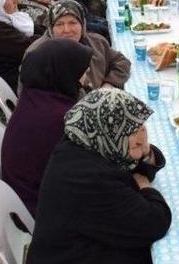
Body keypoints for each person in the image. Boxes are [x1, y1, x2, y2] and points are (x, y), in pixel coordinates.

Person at [27, 88, 171, 264]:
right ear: (108, 130)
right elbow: (155, 222)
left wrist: (145, 152)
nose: (140, 137)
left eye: (141, 128)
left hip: (78, 247)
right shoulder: (91, 178)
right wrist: (146, 187)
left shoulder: (86, 141)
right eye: (132, 131)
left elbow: (133, 166)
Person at [1, 38, 93, 216]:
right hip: (43, 209)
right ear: (63, 72)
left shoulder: (36, 96)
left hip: (31, 194)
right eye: (82, 72)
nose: (86, 78)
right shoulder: (59, 118)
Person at [25, 0, 129, 90]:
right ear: (51, 28)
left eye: (72, 23)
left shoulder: (96, 42)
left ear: (82, 25)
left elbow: (121, 61)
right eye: (59, 24)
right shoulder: (37, 54)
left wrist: (109, 84)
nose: (66, 30)